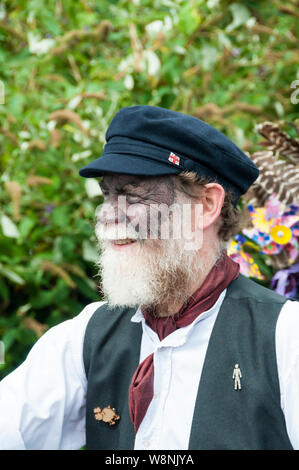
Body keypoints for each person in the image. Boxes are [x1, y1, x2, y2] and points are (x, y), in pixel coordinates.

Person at [0, 105, 298, 450]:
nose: (108, 216)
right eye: (107, 194)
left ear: (205, 205)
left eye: (133, 193)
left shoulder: (285, 337)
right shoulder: (88, 334)